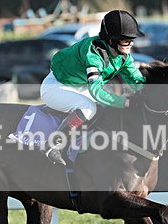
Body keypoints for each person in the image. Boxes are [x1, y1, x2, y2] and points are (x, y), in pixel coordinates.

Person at [40, 10, 147, 166]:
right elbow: (96, 91)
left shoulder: (124, 56)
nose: (130, 44)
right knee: (89, 107)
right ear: (111, 40)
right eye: (126, 40)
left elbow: (136, 81)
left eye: (132, 40)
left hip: (79, 87)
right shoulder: (94, 53)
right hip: (56, 87)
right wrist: (125, 102)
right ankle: (53, 144)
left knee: (105, 106)